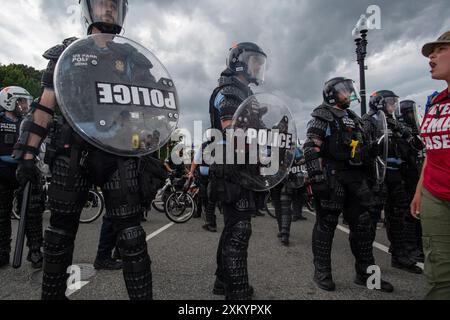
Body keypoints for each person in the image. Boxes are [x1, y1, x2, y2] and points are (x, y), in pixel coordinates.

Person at [13, 0, 154, 300]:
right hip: (71, 151)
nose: (109, 8)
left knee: (131, 235)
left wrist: (147, 143)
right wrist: (27, 156)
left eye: (114, 4)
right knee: (59, 236)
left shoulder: (134, 60)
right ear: (88, 9)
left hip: (116, 153)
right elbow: (44, 108)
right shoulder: (67, 54)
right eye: (102, 2)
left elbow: (151, 106)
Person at [304, 77, 393, 292]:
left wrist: (372, 151)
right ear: (332, 93)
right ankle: (322, 272)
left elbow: (362, 147)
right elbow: (310, 148)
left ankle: (367, 275)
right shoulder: (322, 115)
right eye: (345, 91)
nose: (349, 94)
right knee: (326, 226)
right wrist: (317, 178)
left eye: (350, 90)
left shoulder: (354, 118)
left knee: (363, 228)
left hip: (357, 178)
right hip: (333, 178)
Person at [208, 42, 267, 300]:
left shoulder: (246, 95)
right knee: (240, 229)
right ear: (240, 61)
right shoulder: (229, 91)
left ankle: (222, 282)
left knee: (234, 226)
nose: (258, 67)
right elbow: (235, 134)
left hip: (244, 167)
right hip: (232, 168)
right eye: (255, 61)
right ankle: (238, 293)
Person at [364, 90, 423, 274]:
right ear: (379, 103)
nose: (393, 106)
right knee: (370, 218)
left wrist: (413, 140)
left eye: (394, 102)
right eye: (390, 102)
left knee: (400, 216)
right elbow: (365, 148)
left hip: (397, 175)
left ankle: (402, 256)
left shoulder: (396, 124)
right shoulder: (369, 121)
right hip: (377, 175)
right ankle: (366, 263)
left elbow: (412, 143)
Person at [411, 31, 450, 299]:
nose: (431, 57)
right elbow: (431, 151)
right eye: (429, 52)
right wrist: (419, 191)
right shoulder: (436, 102)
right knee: (438, 273)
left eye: (440, 50)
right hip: (435, 194)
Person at [0, 86, 44, 269]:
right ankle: (2, 252)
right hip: (2, 172)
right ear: (10, 101)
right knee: (2, 215)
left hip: (23, 171)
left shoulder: (27, 122)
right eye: (22, 101)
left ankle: (35, 251)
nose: (25, 104)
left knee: (32, 213)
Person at [397, 100, 425, 263]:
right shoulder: (401, 130)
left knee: (418, 213)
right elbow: (407, 152)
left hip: (416, 174)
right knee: (408, 214)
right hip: (405, 175)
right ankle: (410, 247)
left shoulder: (414, 129)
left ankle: (419, 245)